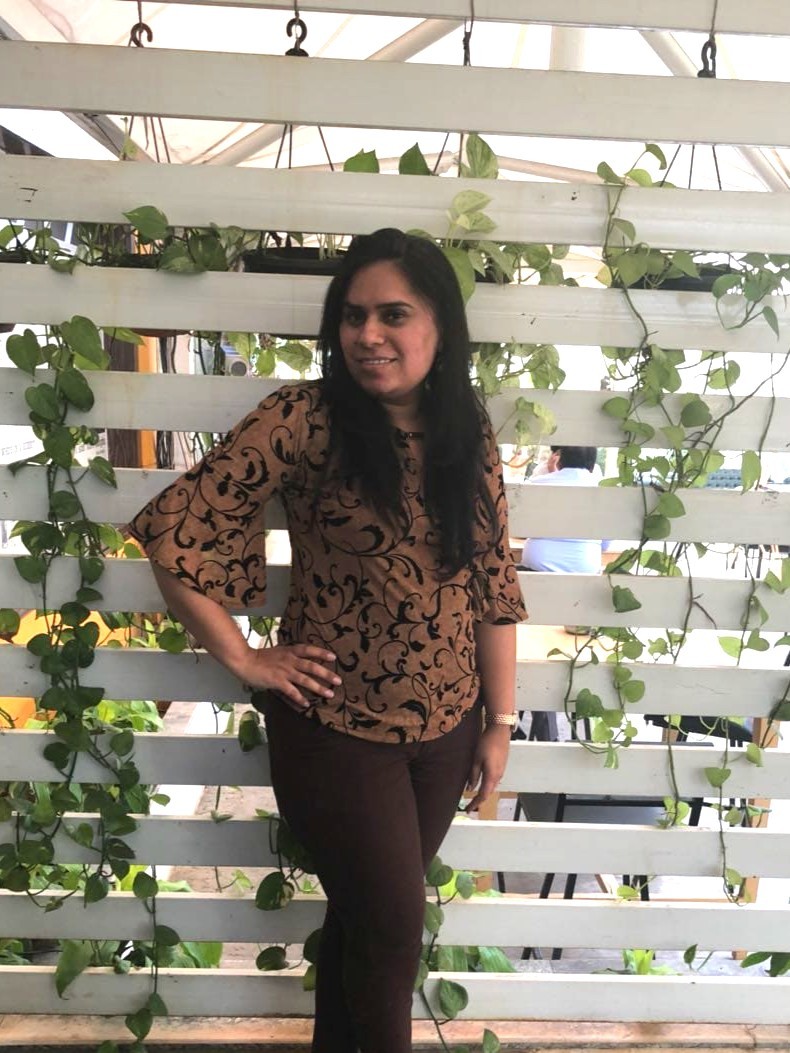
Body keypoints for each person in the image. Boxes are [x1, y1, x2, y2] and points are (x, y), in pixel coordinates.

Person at [128, 228, 527, 1053]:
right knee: (390, 936)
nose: (368, 335)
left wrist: (498, 721)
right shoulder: (303, 419)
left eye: (392, 314)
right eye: (352, 316)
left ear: (440, 327)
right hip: (338, 734)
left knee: (363, 928)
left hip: (445, 732)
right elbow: (175, 533)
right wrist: (244, 657)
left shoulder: (467, 430)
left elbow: (492, 581)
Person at [520, 445, 608, 575]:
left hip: (537, 565)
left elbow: (520, 529)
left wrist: (553, 474)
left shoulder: (534, 485)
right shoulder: (604, 491)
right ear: (593, 466)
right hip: (584, 569)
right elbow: (605, 545)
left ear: (559, 460)